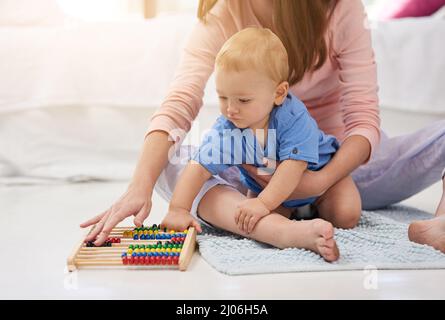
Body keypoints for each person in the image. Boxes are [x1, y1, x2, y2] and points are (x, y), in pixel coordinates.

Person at [80, 0, 445, 254]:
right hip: (255, 173)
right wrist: (138, 188)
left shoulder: (339, 8)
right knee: (166, 162)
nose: (230, 108)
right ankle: (277, 229)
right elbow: (180, 102)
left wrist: (319, 180)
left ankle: (440, 223)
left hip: (333, 162)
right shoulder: (222, 11)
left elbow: (363, 119)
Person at [161, 27, 362, 262]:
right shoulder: (228, 127)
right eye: (223, 97)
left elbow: (292, 168)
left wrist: (263, 203)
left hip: (320, 178)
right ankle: (298, 223)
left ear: (278, 93)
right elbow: (198, 167)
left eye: (243, 100)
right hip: (267, 185)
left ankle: (312, 206)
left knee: (345, 215)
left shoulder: (294, 118)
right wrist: (178, 209)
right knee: (257, 225)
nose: (230, 109)